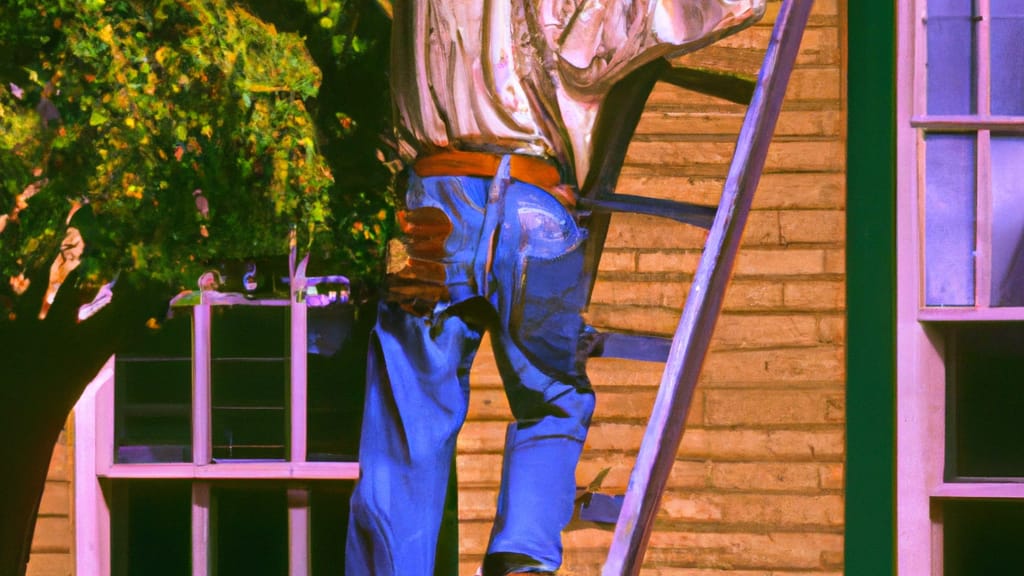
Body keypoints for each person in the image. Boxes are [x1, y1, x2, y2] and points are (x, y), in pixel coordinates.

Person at [346, 1, 766, 574]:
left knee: (409, 417)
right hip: (532, 206)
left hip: (432, 209)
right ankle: (521, 561)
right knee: (553, 400)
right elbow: (622, 35)